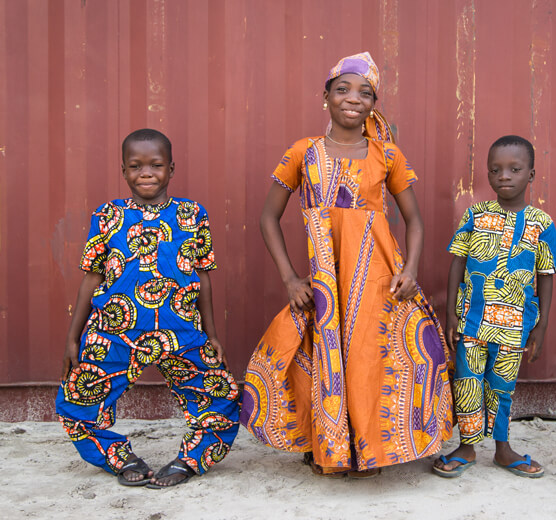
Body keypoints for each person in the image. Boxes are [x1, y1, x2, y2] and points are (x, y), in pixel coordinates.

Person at [240, 52, 452, 478]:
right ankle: (328, 446)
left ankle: (368, 450)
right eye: (343, 89)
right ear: (326, 97)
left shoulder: (387, 154)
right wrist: (289, 278)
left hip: (378, 278)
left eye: (365, 93)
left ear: (374, 103)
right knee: (323, 354)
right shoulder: (303, 152)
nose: (353, 99)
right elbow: (268, 217)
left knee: (368, 360)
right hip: (324, 278)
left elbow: (414, 220)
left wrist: (409, 270)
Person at [55, 129, 240, 488]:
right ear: (123, 170)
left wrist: (212, 334)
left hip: (182, 331)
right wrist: (72, 338)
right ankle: (118, 458)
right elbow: (92, 278)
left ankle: (190, 462)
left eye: (155, 165)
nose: (146, 173)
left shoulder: (192, 214)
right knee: (75, 403)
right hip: (113, 331)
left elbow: (202, 277)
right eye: (135, 166)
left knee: (222, 399)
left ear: (171, 169)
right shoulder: (107, 215)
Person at [432, 135, 556, 478]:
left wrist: (542, 325)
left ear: (531, 175)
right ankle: (467, 445)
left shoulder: (542, 223)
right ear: (488, 176)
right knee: (467, 381)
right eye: (496, 170)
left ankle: (503, 449)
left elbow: (546, 275)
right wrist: (450, 313)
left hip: (514, 325)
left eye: (514, 169)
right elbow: (458, 262)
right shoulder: (475, 215)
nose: (504, 176)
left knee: (502, 386)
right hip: (472, 321)